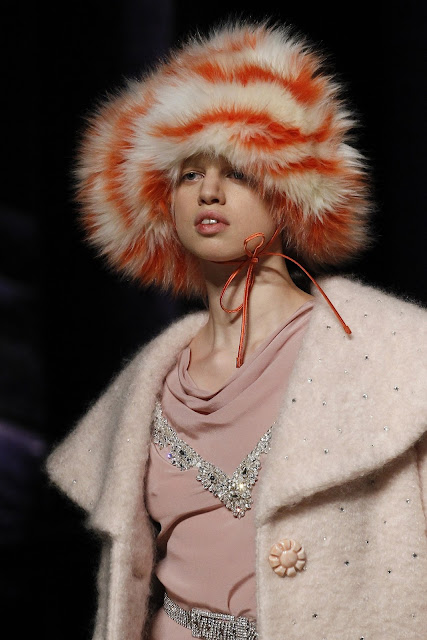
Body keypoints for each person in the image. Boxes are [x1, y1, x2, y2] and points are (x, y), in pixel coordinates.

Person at [46, 20, 427, 640]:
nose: (210, 192)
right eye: (188, 175)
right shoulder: (150, 384)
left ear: (288, 191)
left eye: (239, 171)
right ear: (161, 204)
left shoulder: (394, 353)